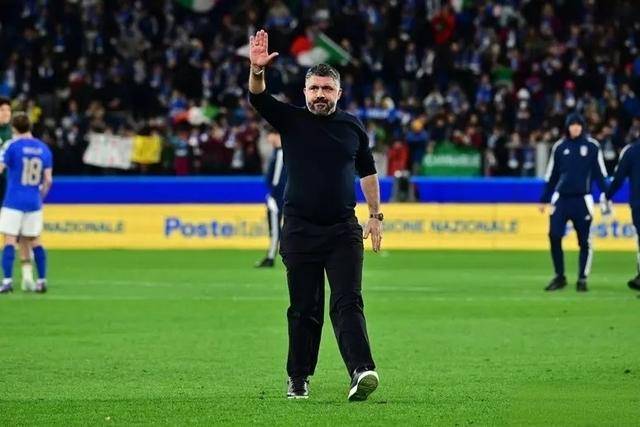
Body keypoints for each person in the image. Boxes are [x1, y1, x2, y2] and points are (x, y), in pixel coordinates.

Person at [247, 30, 382, 401]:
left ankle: (361, 370)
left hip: (343, 230)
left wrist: (376, 215)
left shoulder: (353, 127)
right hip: (300, 231)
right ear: (304, 92)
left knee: (348, 301)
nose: (320, 94)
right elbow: (258, 97)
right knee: (304, 309)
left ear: (339, 93)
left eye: (327, 88)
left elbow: (368, 171)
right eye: (314, 88)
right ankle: (298, 377)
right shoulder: (290, 120)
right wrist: (257, 71)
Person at [539, 112, 609, 292]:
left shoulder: (592, 147)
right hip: (561, 199)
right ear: (568, 127)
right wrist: (544, 199)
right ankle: (560, 276)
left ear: (582, 127)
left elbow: (600, 175)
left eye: (578, 124)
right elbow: (552, 175)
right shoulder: (560, 147)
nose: (575, 128)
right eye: (572, 124)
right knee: (554, 235)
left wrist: (607, 195)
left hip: (582, 200)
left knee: (584, 241)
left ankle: (582, 278)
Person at [0, 113, 53, 294]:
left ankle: (7, 281)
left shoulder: (12, 146)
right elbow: (48, 180)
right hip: (33, 201)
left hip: (13, 200)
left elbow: (1, 168)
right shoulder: (43, 148)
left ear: (14, 128)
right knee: (35, 240)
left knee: (9, 240)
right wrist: (40, 196)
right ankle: (42, 280)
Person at [0, 97, 38, 291]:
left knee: (22, 234)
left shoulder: (16, 134)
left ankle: (26, 275)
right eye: (2, 110)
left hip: (13, 189)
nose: (6, 113)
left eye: (8, 110)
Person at [604, 128, 640, 291]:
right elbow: (619, 178)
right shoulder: (631, 152)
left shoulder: (630, 151)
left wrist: (608, 195)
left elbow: (618, 178)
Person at [256, 129, 287, 268]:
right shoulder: (279, 152)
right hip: (281, 196)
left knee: (275, 228)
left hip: (277, 197)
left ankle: (270, 256)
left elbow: (277, 180)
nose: (268, 139)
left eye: (269, 135)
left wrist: (273, 196)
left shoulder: (280, 153)